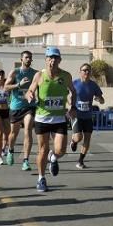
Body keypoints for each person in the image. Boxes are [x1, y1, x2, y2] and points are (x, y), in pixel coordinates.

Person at [25, 47, 76, 192]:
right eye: (50, 58)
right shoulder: (39, 75)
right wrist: (29, 95)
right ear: (46, 59)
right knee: (43, 149)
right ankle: (41, 178)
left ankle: (53, 157)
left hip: (59, 118)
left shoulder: (66, 76)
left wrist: (73, 107)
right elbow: (30, 90)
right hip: (42, 118)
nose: (52, 60)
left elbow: (74, 91)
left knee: (61, 150)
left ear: (60, 60)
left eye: (55, 58)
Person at [4, 50, 38, 171]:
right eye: (26, 57)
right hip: (16, 107)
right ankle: (10, 150)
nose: (29, 59)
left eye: (30, 58)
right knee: (14, 133)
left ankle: (26, 161)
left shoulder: (35, 73)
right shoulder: (15, 72)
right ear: (21, 59)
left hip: (29, 106)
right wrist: (19, 84)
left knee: (28, 130)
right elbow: (5, 87)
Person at [70, 63, 105, 169]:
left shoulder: (93, 85)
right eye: (84, 70)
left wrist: (99, 99)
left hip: (88, 116)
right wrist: (71, 106)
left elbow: (102, 100)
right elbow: (67, 96)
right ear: (80, 72)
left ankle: (80, 161)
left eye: (88, 70)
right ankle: (73, 141)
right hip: (76, 115)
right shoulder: (74, 83)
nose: (86, 72)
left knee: (87, 139)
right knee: (78, 137)